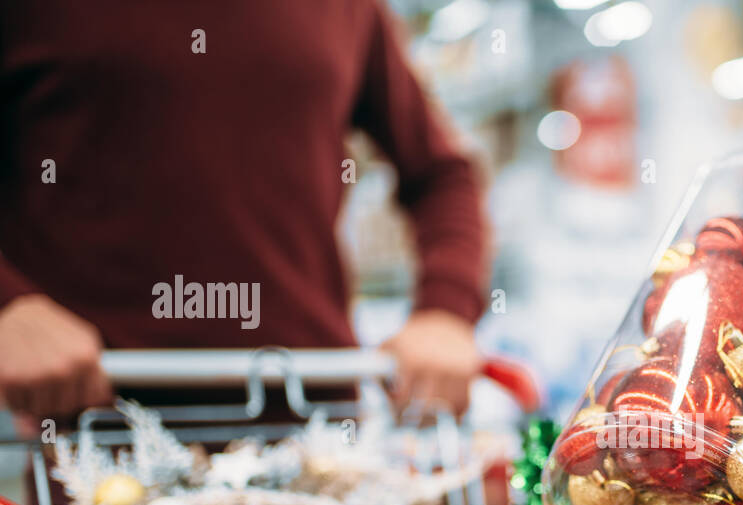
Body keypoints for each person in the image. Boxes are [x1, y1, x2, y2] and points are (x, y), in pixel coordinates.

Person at [0, 1, 486, 426]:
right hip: (80, 439)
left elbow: (441, 174)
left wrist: (445, 312)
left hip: (312, 432)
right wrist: (9, 304)